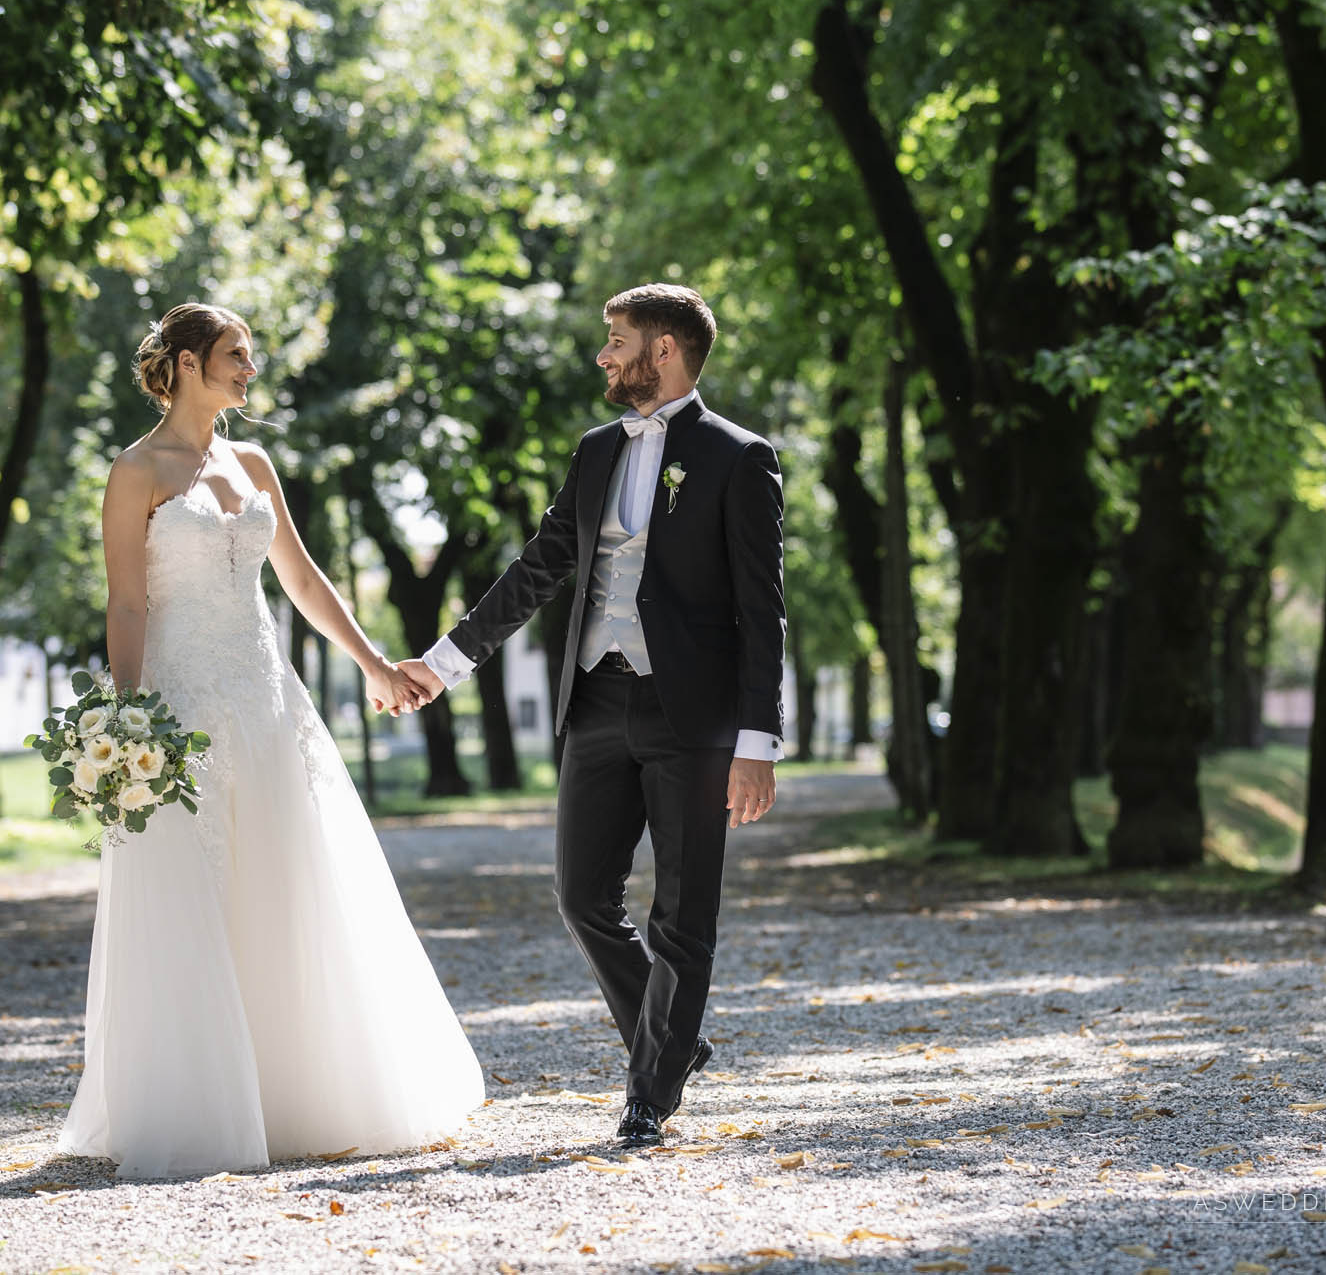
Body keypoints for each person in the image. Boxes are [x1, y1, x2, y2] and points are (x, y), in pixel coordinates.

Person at [58, 303, 482, 1179]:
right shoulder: (134, 472)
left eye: (249, 355)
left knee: (284, 882)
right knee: (193, 891)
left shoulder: (252, 463)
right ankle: (194, 1105)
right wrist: (125, 721)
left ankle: (295, 1096)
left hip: (265, 698)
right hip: (178, 710)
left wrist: (371, 661)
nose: (249, 368)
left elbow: (299, 576)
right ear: (183, 364)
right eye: (233, 355)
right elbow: (127, 603)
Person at [400, 283, 786, 1149]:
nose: (604, 355)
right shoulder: (595, 450)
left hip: (694, 715)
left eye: (617, 340)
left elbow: (764, 612)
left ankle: (649, 1091)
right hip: (598, 699)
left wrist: (758, 742)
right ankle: (675, 1040)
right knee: (582, 898)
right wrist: (445, 661)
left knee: (683, 912)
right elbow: (540, 567)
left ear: (667, 349)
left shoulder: (737, 456)